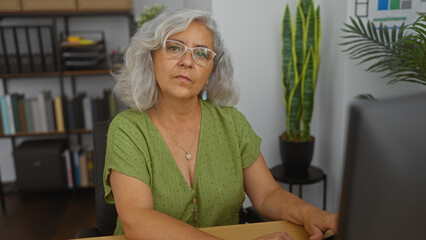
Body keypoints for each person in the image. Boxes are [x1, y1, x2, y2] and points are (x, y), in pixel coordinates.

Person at [104, 7, 337, 240]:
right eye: (175, 47)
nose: (187, 61)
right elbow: (138, 221)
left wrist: (310, 213)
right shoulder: (128, 129)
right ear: (151, 57)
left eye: (202, 53)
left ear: (212, 72)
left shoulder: (232, 123)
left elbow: (267, 194)